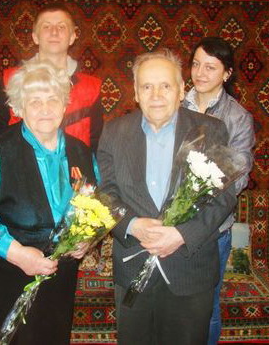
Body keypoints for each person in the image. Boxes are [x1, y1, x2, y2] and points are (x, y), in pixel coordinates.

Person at [97, 49, 237, 344]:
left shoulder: (210, 130)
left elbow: (223, 198)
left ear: (181, 90)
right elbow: (105, 194)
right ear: (136, 93)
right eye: (147, 86)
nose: (156, 95)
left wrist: (181, 234)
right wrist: (132, 225)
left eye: (165, 86)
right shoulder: (113, 132)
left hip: (190, 271)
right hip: (133, 267)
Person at [0, 60, 99, 345]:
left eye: (52, 99)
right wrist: (18, 254)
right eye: (35, 101)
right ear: (19, 108)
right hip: (7, 280)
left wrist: (87, 239)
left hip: (59, 285)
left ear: (65, 105)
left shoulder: (83, 153)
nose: (45, 108)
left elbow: (92, 209)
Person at [183, 37, 255, 345]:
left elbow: (238, 179)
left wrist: (195, 202)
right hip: (171, 225)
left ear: (227, 73)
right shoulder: (174, 104)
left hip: (213, 228)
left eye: (210, 67)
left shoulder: (237, 118)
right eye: (196, 64)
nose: (200, 73)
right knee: (171, 303)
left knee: (206, 306)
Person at [0, 4, 103, 151]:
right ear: (35, 37)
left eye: (61, 27)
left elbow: (96, 143)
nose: (54, 32)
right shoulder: (10, 80)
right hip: (22, 163)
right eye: (46, 26)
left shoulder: (91, 88)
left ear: (72, 37)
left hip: (75, 164)